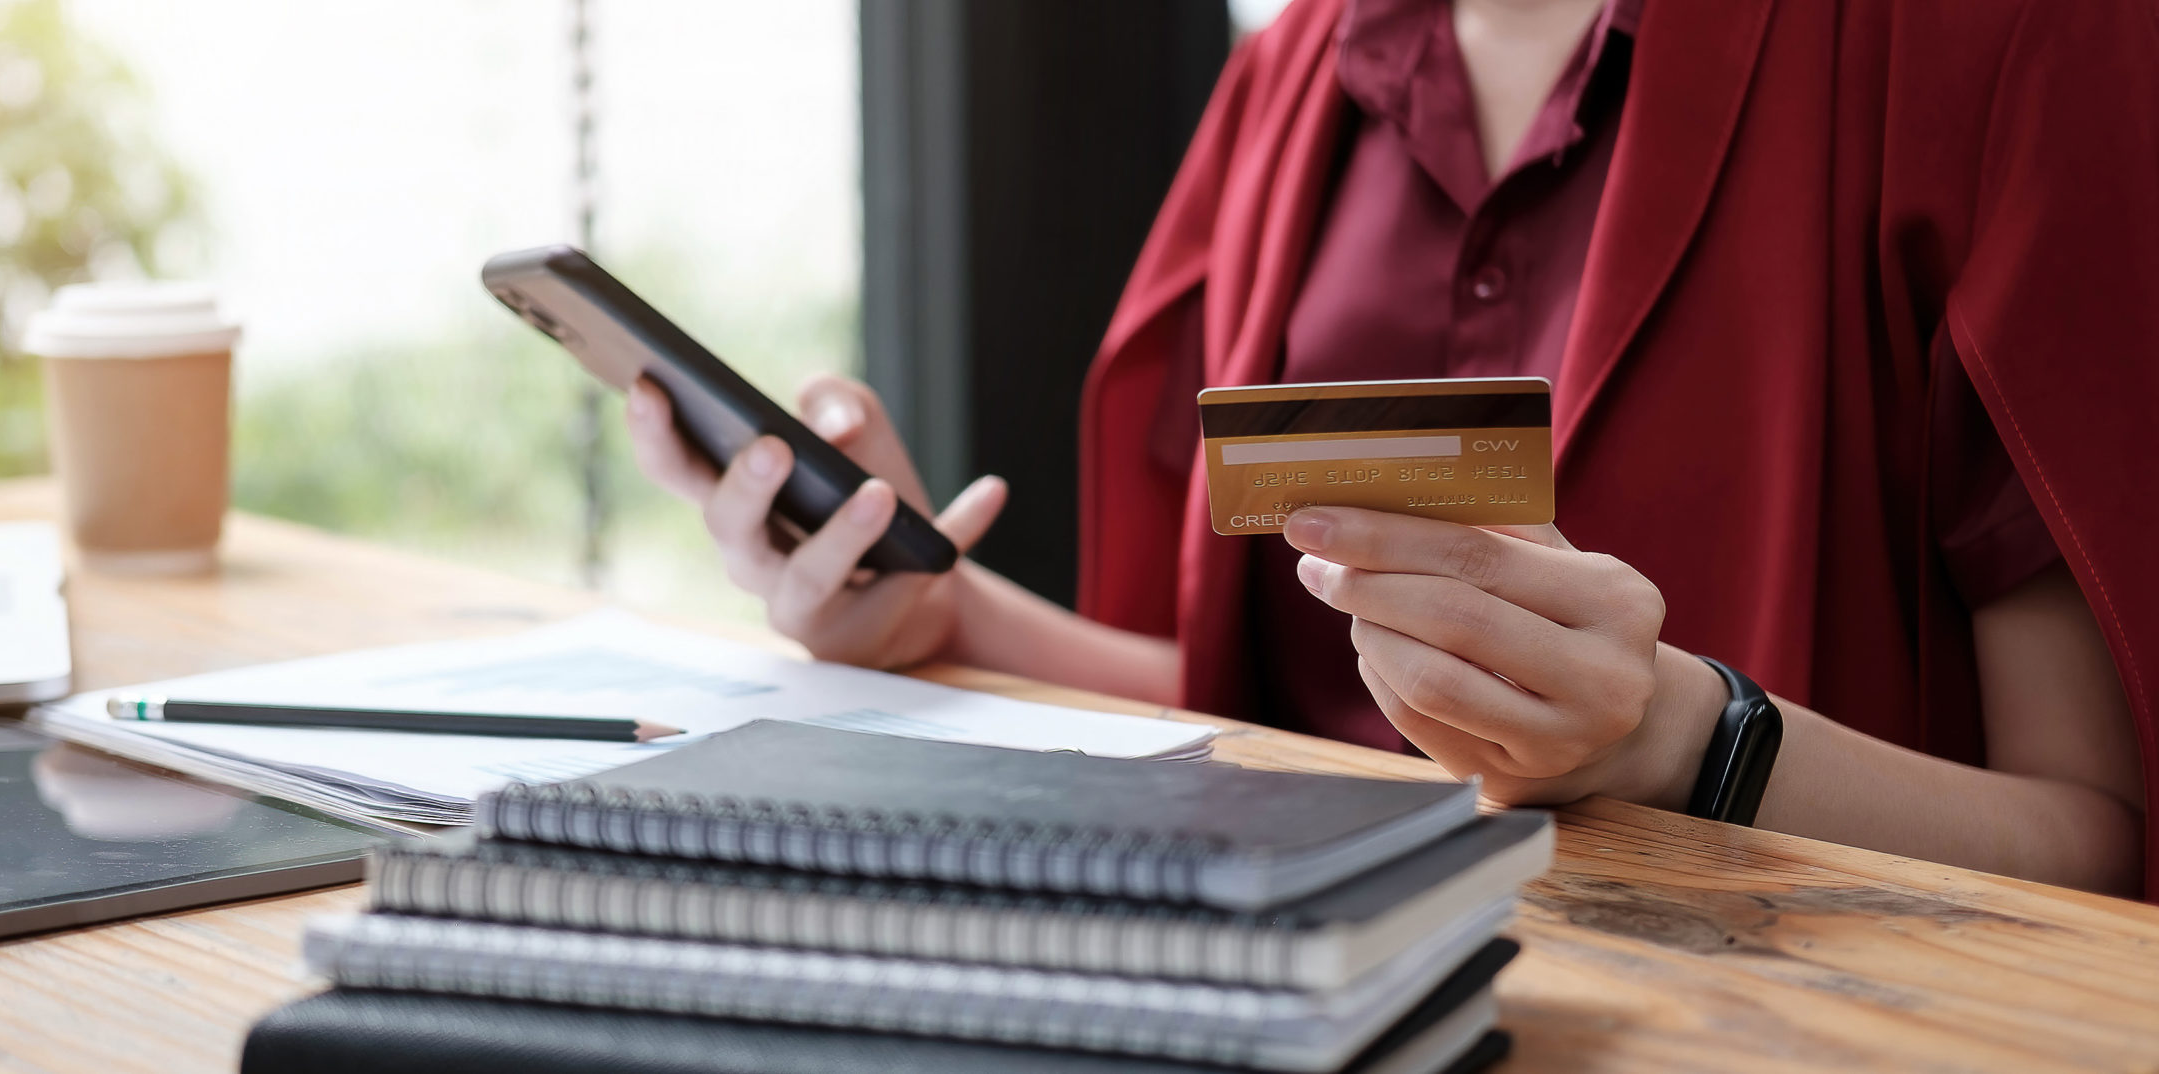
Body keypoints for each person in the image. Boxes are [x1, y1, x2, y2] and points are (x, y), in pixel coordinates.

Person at [624, 0, 2159, 897]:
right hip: (1313, 980)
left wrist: (1688, 739)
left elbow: (2100, 842)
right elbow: (1274, 712)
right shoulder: (1294, 75)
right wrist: (939, 611)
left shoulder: (2006, 45)